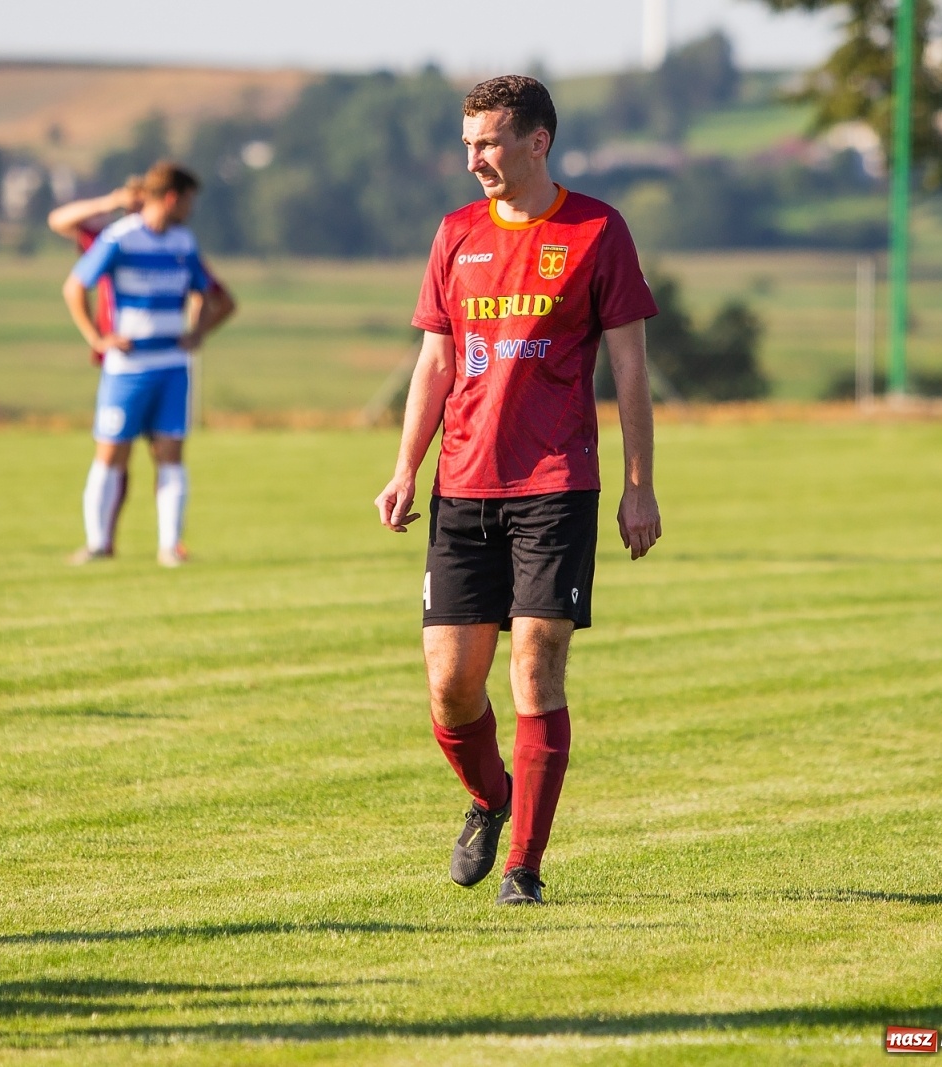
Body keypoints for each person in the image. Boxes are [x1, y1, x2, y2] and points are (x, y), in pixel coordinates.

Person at [373, 75, 661, 906]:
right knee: (452, 686)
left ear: (539, 142)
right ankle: (491, 797)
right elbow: (433, 361)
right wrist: (404, 467)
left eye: (490, 142)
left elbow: (631, 369)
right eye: (468, 143)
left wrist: (638, 486)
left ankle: (524, 868)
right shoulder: (454, 235)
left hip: (555, 481)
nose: (475, 160)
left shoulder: (599, 230)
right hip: (462, 485)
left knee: (537, 662)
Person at [61, 161, 235, 567]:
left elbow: (207, 294)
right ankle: (98, 544)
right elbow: (75, 287)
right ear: (172, 197)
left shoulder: (183, 242)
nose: (191, 209)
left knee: (171, 453)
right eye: (189, 200)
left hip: (173, 365)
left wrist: (197, 333)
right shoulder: (120, 237)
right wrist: (96, 337)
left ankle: (170, 547)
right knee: (111, 454)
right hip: (128, 367)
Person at [47, 178, 143, 547]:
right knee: (116, 448)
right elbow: (59, 220)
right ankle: (102, 539)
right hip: (119, 355)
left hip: (154, 355)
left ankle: (132, 537)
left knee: (155, 452)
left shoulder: (166, 239)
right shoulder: (110, 238)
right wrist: (111, 200)